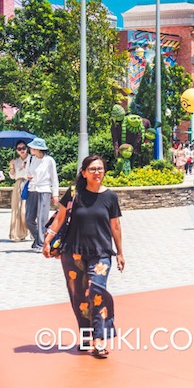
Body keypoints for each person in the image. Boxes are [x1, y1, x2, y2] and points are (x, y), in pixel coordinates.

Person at [43, 155, 123, 359]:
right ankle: (86, 336)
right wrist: (48, 239)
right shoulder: (73, 194)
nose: (97, 172)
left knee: (97, 291)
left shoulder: (110, 197)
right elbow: (60, 218)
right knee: (79, 296)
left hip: (101, 253)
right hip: (73, 252)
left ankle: (99, 338)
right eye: (93, 169)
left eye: (100, 169)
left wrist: (120, 252)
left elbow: (115, 225)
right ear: (84, 172)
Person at [25, 137, 59, 251]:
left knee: (42, 219)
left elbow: (54, 177)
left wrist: (55, 194)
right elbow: (27, 173)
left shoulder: (49, 160)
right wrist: (28, 176)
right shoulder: (31, 159)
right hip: (32, 190)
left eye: (32, 147)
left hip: (44, 190)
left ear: (38, 149)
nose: (30, 149)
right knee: (29, 219)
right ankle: (39, 239)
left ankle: (41, 244)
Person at [8, 140, 30, 242]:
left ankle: (30, 231)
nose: (21, 150)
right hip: (18, 184)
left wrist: (25, 168)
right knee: (16, 209)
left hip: (29, 184)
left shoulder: (32, 159)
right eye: (19, 149)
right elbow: (12, 176)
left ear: (27, 148)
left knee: (25, 210)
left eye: (23, 148)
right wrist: (12, 167)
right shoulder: (15, 161)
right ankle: (17, 233)